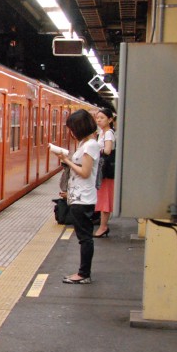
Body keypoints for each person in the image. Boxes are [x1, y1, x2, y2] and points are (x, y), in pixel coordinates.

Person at [53, 109, 100, 284]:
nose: (71, 132)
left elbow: (85, 172)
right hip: (80, 196)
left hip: (84, 199)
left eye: (72, 128)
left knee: (85, 238)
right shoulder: (85, 144)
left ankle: (83, 274)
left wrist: (68, 161)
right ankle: (83, 273)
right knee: (84, 237)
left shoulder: (90, 145)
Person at [93, 108, 116, 237]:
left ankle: (103, 227)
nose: (99, 120)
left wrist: (95, 150)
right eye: (97, 118)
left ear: (110, 119)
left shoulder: (108, 133)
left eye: (102, 118)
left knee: (105, 198)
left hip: (106, 171)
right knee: (102, 198)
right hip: (103, 170)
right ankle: (102, 225)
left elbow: (107, 150)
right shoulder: (102, 132)